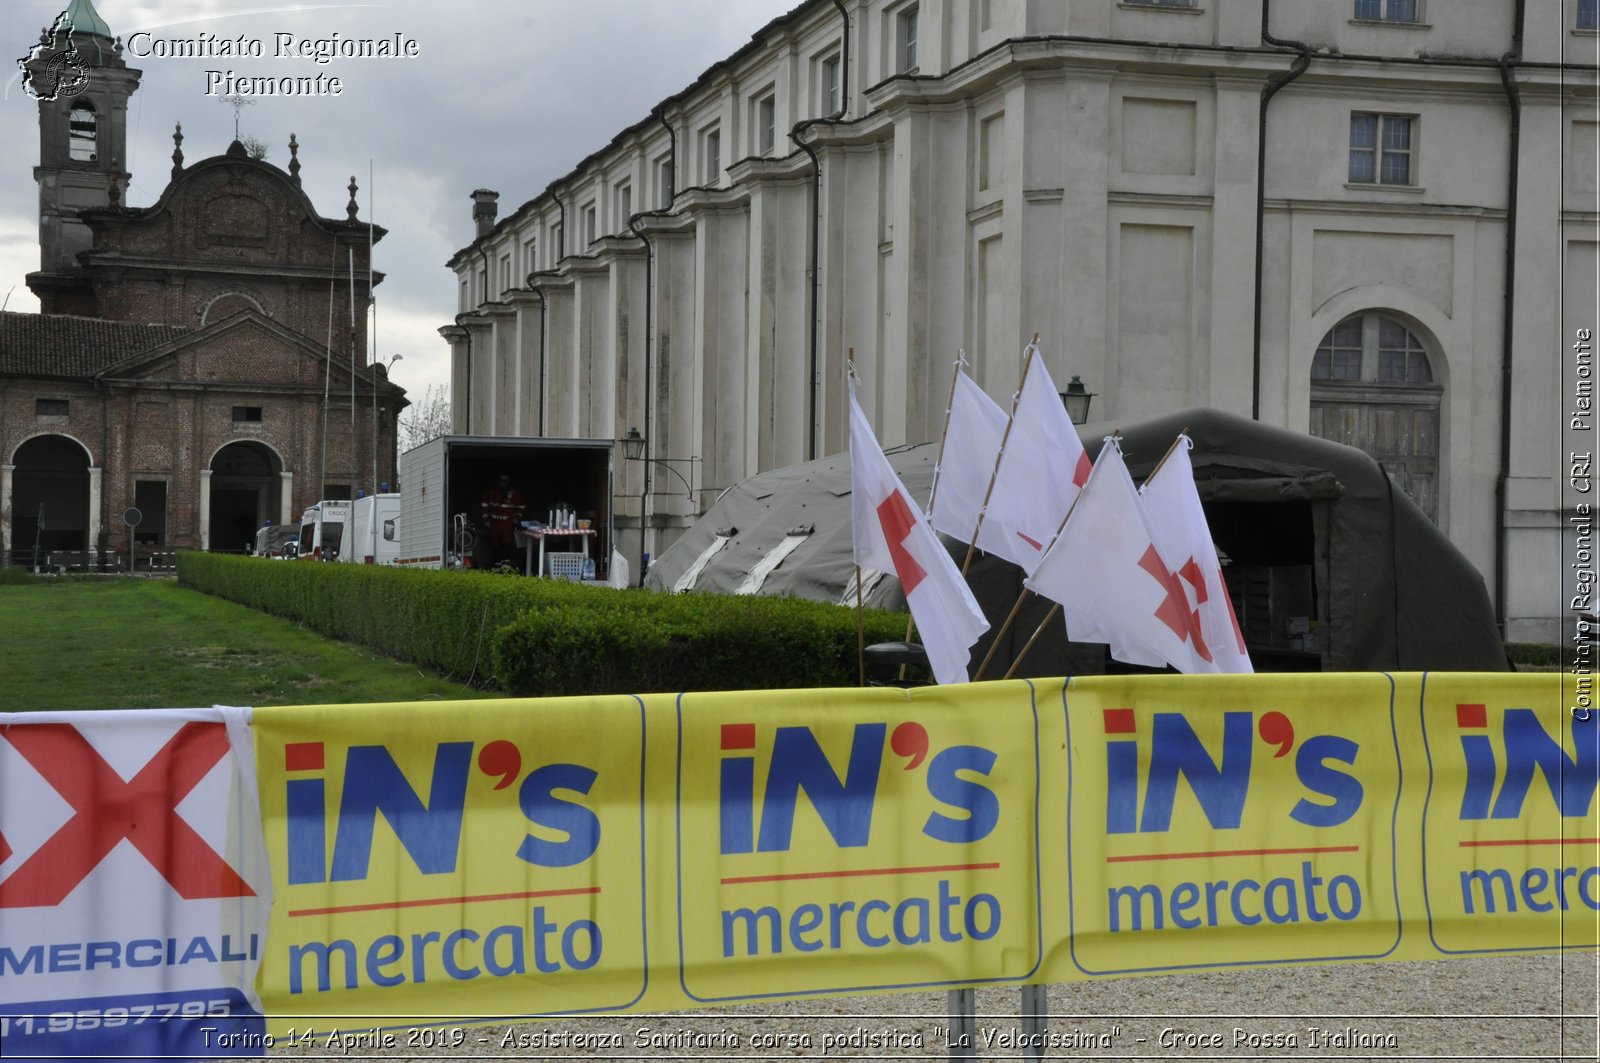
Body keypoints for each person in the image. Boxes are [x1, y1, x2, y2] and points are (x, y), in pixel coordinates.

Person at [479, 473, 526, 570]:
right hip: (494, 523)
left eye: (505, 481)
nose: (502, 483)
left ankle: (506, 567)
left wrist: (517, 518)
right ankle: (495, 567)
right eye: (501, 481)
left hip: (507, 523)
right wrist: (486, 520)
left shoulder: (515, 494)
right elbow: (484, 506)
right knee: (494, 544)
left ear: (509, 482)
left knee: (507, 544)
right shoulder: (491, 492)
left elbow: (521, 507)